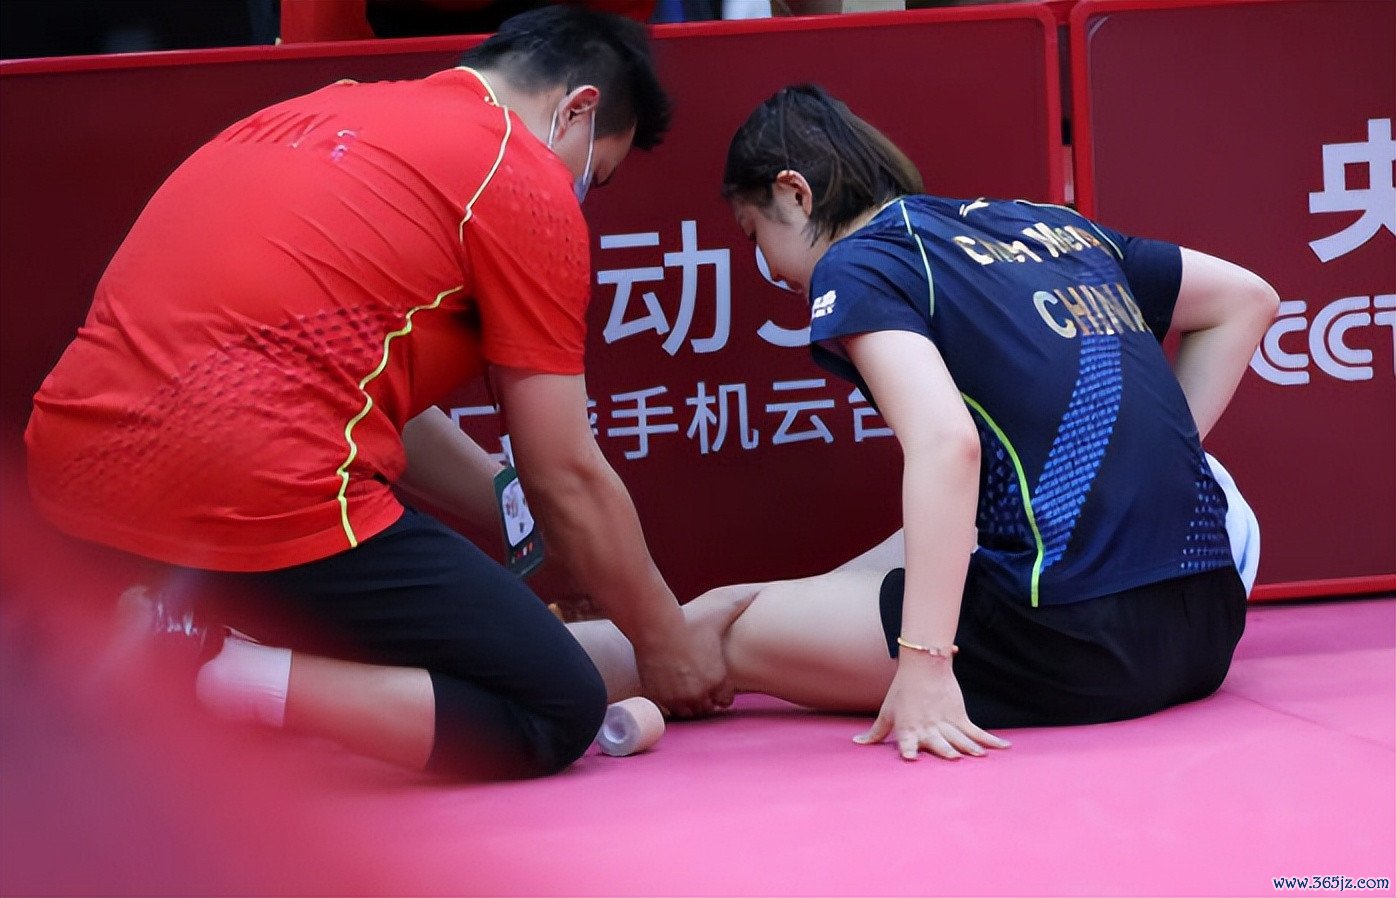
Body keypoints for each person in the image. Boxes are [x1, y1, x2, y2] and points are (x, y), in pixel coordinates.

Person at [25, 5, 731, 781]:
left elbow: (348, 385)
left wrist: (520, 519)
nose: (581, 190)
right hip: (256, 488)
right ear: (577, 110)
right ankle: (209, 669)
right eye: (595, 173)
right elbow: (563, 470)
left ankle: (169, 621)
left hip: (72, 481)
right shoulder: (518, 173)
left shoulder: (320, 109)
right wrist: (666, 644)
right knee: (557, 704)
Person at [570, 84, 1279, 762]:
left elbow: (946, 445)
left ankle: (541, 665)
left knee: (713, 641)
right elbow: (1247, 299)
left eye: (754, 232)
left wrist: (926, 666)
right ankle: (712, 611)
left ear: (794, 193)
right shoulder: (1051, 226)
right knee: (809, 583)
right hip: (1207, 630)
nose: (767, 266)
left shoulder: (859, 262)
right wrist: (1146, 457)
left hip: (1070, 638)